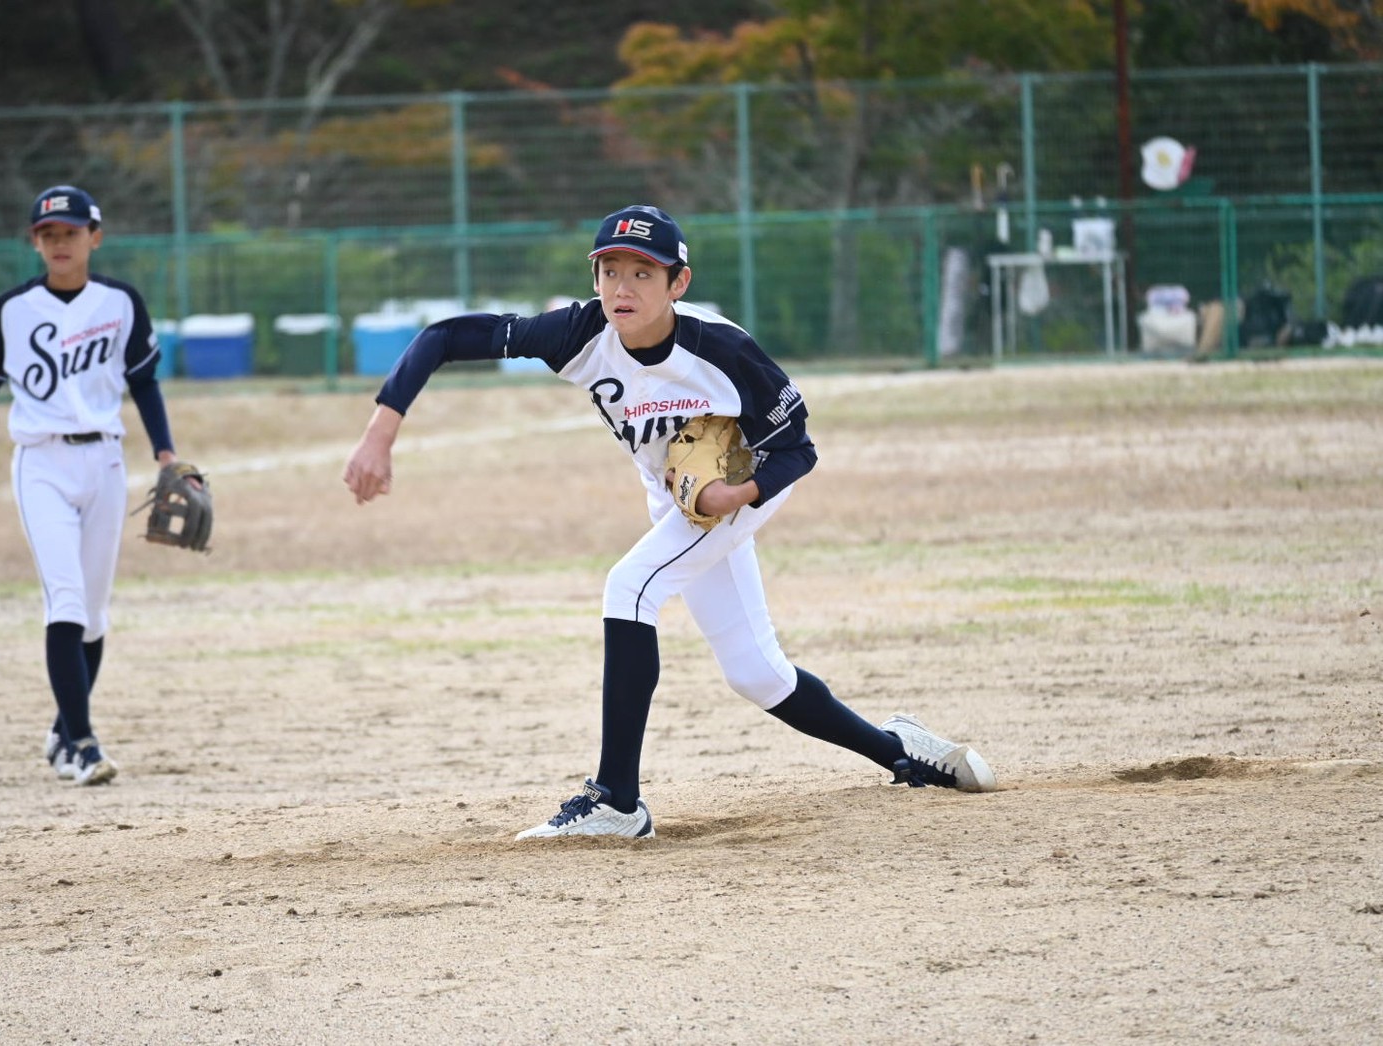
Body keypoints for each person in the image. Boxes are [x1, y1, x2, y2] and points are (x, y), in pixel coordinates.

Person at [343, 204, 996, 838]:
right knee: (756, 674)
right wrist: (380, 432)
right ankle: (905, 755)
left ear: (678, 282)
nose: (622, 288)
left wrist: (741, 496)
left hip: (743, 486)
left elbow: (799, 448)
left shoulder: (723, 353)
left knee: (631, 586)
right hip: (675, 497)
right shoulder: (576, 334)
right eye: (610, 271)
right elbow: (444, 337)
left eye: (642, 273)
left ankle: (617, 801)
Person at [0, 185, 191, 786]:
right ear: (35, 242)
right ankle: (84, 746)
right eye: (49, 235)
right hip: (41, 463)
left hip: (105, 464)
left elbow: (143, 383)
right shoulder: (13, 309)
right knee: (65, 601)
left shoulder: (121, 303)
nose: (60, 243)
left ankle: (61, 731)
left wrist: (166, 452)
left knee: (94, 617)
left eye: (71, 233)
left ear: (94, 237)